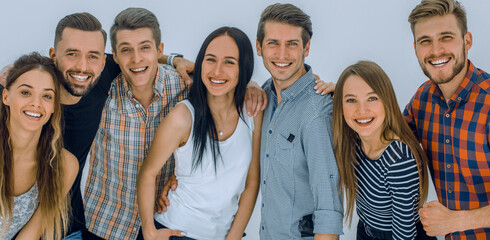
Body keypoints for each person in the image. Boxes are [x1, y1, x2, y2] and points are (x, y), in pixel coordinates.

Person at [138, 26, 261, 240]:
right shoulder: (183, 116)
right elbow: (148, 173)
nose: (217, 71)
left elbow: (252, 182)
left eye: (229, 62)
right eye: (210, 59)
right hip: (176, 230)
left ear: (244, 67)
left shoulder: (252, 114)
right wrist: (149, 230)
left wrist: (232, 237)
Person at [81, 8, 190, 239]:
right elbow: (65, 71)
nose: (137, 58)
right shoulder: (102, 90)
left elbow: (224, 79)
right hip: (106, 221)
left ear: (159, 50)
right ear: (115, 56)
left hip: (164, 221)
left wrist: (249, 87)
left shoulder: (184, 87)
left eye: (145, 47)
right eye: (126, 50)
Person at [404, 0, 490, 238]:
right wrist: (348, 94)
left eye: (446, 37)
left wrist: (457, 220)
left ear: (467, 41)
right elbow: (386, 136)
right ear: (415, 49)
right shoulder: (422, 100)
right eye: (425, 41)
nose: (436, 50)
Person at [256, 3, 343, 239]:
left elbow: (328, 207)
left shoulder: (317, 113)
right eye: (273, 43)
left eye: (292, 44)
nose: (282, 55)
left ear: (306, 48)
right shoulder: (265, 96)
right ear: (259, 47)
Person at [333, 61, 434, 240]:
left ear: (386, 101)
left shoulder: (398, 159)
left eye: (372, 98)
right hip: (366, 230)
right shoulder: (353, 140)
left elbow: (404, 234)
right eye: (351, 100)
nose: (361, 110)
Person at [0, 52, 78, 239]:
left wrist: (161, 58)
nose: (36, 103)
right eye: (25, 92)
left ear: (54, 107)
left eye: (47, 96)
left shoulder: (64, 165)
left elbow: (30, 234)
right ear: (6, 97)